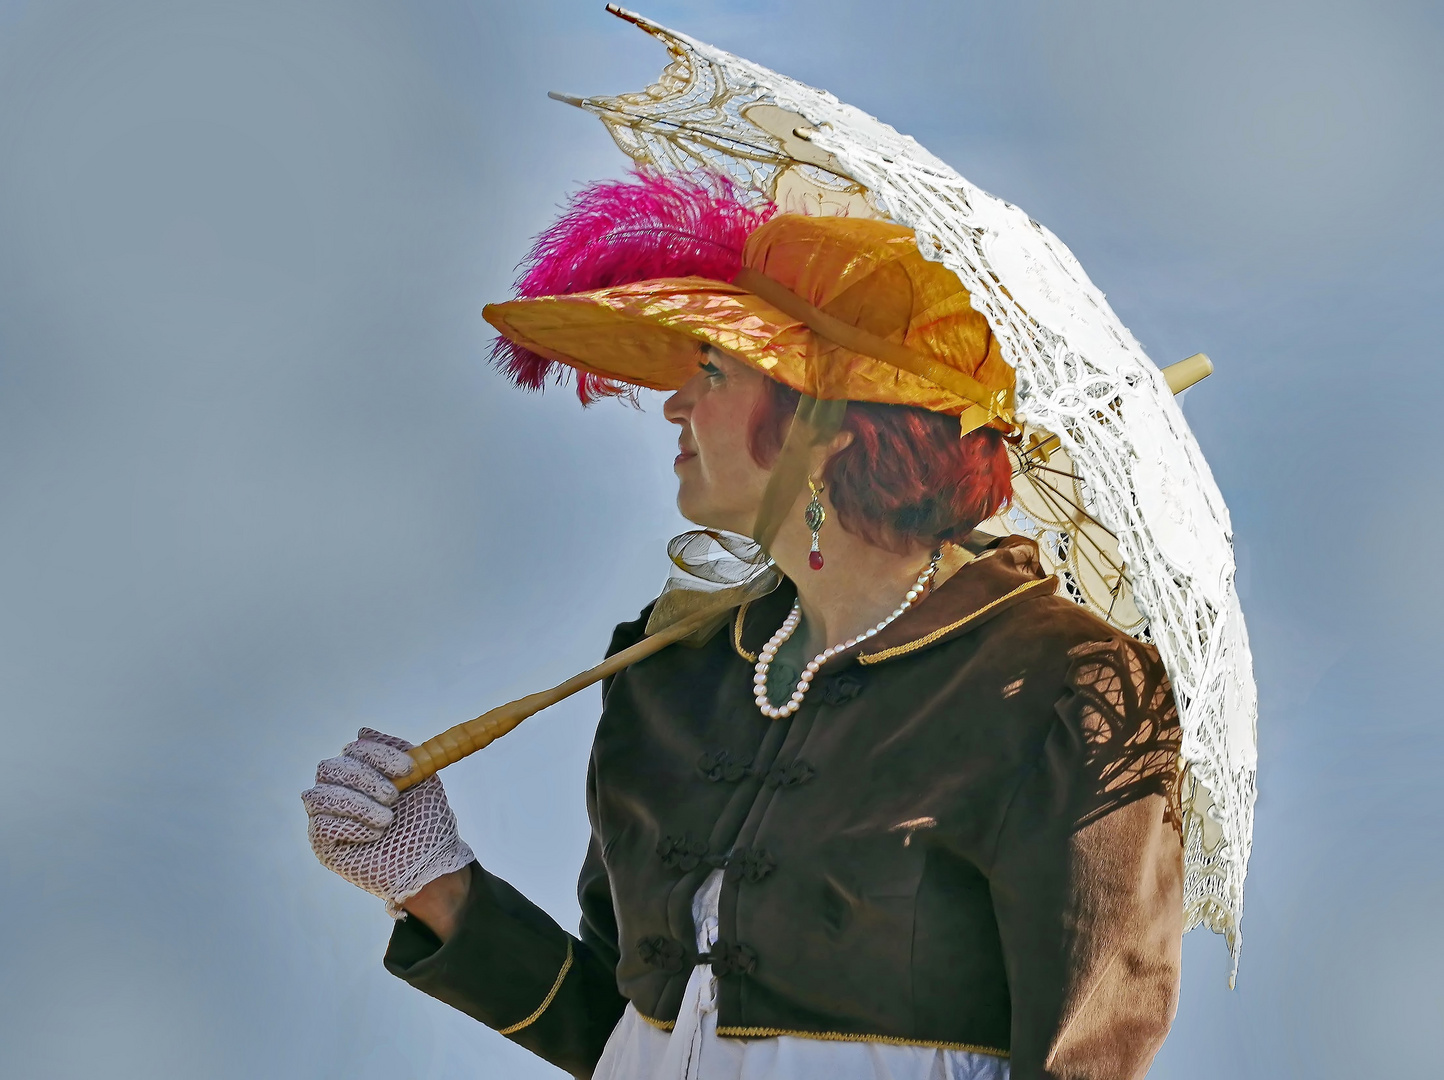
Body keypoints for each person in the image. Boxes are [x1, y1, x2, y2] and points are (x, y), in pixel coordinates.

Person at [302, 174, 1184, 1080]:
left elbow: (1087, 1057)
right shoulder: (669, 668)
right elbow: (617, 1029)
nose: (676, 403)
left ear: (827, 427)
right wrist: (436, 885)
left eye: (712, 372)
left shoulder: (1070, 685)